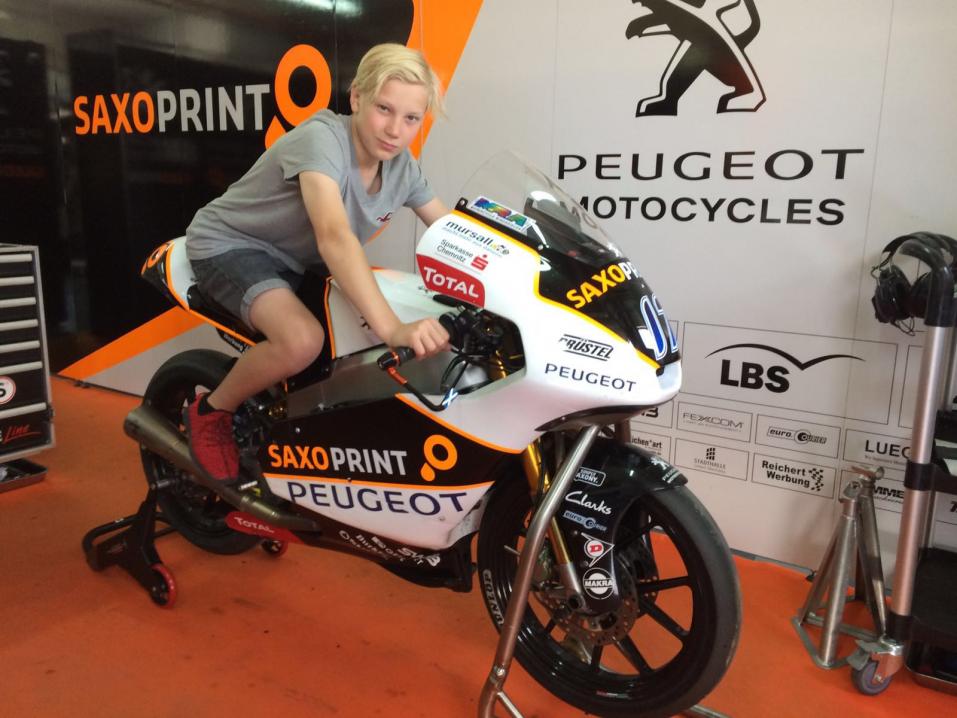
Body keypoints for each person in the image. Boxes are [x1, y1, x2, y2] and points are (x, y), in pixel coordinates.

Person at [183, 43, 451, 483]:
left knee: (358, 338)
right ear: (357, 97)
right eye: (384, 109)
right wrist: (393, 329)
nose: (395, 130)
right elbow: (334, 236)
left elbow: (449, 230)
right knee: (302, 341)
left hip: (296, 259)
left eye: (411, 118)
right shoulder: (322, 139)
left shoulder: (402, 167)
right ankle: (211, 411)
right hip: (232, 244)